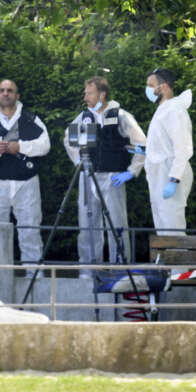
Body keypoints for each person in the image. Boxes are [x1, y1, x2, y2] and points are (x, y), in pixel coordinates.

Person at [63, 76, 146, 277]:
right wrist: (79, 163)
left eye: (89, 92)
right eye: (85, 92)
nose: (85, 96)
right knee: (88, 225)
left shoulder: (121, 116)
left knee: (117, 224)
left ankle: (119, 270)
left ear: (102, 94)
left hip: (114, 176)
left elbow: (142, 145)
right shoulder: (84, 117)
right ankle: (89, 271)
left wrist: (132, 171)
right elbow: (68, 140)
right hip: (88, 176)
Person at [0, 79, 51, 273]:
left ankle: (35, 279)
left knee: (30, 232)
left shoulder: (30, 119)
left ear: (17, 96)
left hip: (26, 184)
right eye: (1, 90)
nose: (5, 93)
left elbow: (45, 146)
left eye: (10, 90)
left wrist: (21, 147)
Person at [142, 68, 193, 235]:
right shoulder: (164, 109)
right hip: (161, 174)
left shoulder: (174, 111)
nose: (148, 89)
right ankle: (166, 258)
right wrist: (147, 151)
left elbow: (182, 148)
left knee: (172, 225)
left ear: (163, 87)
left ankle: (178, 259)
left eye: (151, 85)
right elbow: (164, 143)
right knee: (163, 223)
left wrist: (174, 179)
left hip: (170, 174)